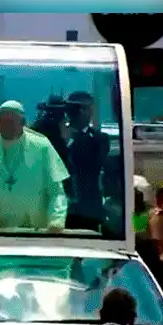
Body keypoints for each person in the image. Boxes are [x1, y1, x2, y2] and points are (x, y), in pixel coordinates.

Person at [0, 100, 70, 231]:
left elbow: (56, 192)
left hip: (34, 231)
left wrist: (57, 220)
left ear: (23, 122)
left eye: (11, 122)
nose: (6, 127)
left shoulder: (42, 146)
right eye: (3, 122)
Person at [64, 91, 109, 232]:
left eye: (86, 108)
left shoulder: (98, 139)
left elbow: (96, 164)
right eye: (79, 108)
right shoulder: (57, 136)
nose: (84, 112)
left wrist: (72, 140)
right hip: (62, 205)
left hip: (89, 205)